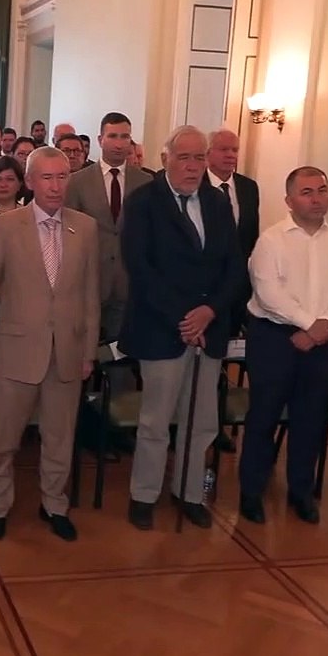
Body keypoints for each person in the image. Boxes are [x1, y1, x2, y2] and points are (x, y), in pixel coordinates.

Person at [119, 125, 245, 531]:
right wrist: (184, 317)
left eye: (198, 158)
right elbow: (141, 268)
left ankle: (189, 492)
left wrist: (209, 311)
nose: (192, 166)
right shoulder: (143, 202)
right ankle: (144, 495)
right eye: (183, 158)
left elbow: (234, 266)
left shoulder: (216, 202)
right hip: (161, 328)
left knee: (203, 419)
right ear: (165, 159)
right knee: (156, 421)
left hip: (208, 330)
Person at [0, 146, 99, 542]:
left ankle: (54, 504)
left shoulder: (86, 228)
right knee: (3, 439)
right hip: (14, 353)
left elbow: (90, 296)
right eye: (47, 177)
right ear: (30, 182)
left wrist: (88, 352)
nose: (56, 186)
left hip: (67, 353)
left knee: (60, 438)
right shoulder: (7, 227)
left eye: (63, 177)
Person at [238, 166, 328, 525]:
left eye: (322, 190)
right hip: (275, 339)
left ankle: (301, 492)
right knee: (263, 416)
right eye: (307, 192)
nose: (316, 198)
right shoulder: (271, 240)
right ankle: (251, 491)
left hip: (322, 342)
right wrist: (311, 326)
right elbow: (268, 292)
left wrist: (320, 330)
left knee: (311, 420)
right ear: (289, 200)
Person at [63, 112, 153, 340]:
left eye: (125, 137)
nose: (119, 143)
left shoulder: (145, 182)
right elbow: (68, 234)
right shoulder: (78, 182)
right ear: (100, 139)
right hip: (88, 281)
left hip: (128, 283)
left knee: (120, 359)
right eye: (113, 136)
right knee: (83, 353)